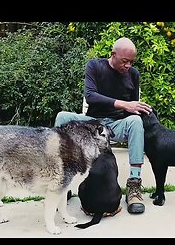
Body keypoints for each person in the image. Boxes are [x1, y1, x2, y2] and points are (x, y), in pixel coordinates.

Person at [54, 37, 152, 214]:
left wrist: (138, 109)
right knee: (62, 117)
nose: (128, 65)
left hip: (116, 125)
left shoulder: (133, 74)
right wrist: (124, 104)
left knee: (136, 121)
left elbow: (133, 107)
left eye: (131, 62)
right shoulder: (95, 66)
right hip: (91, 124)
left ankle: (134, 185)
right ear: (113, 55)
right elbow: (90, 96)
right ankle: (62, 183)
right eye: (125, 61)